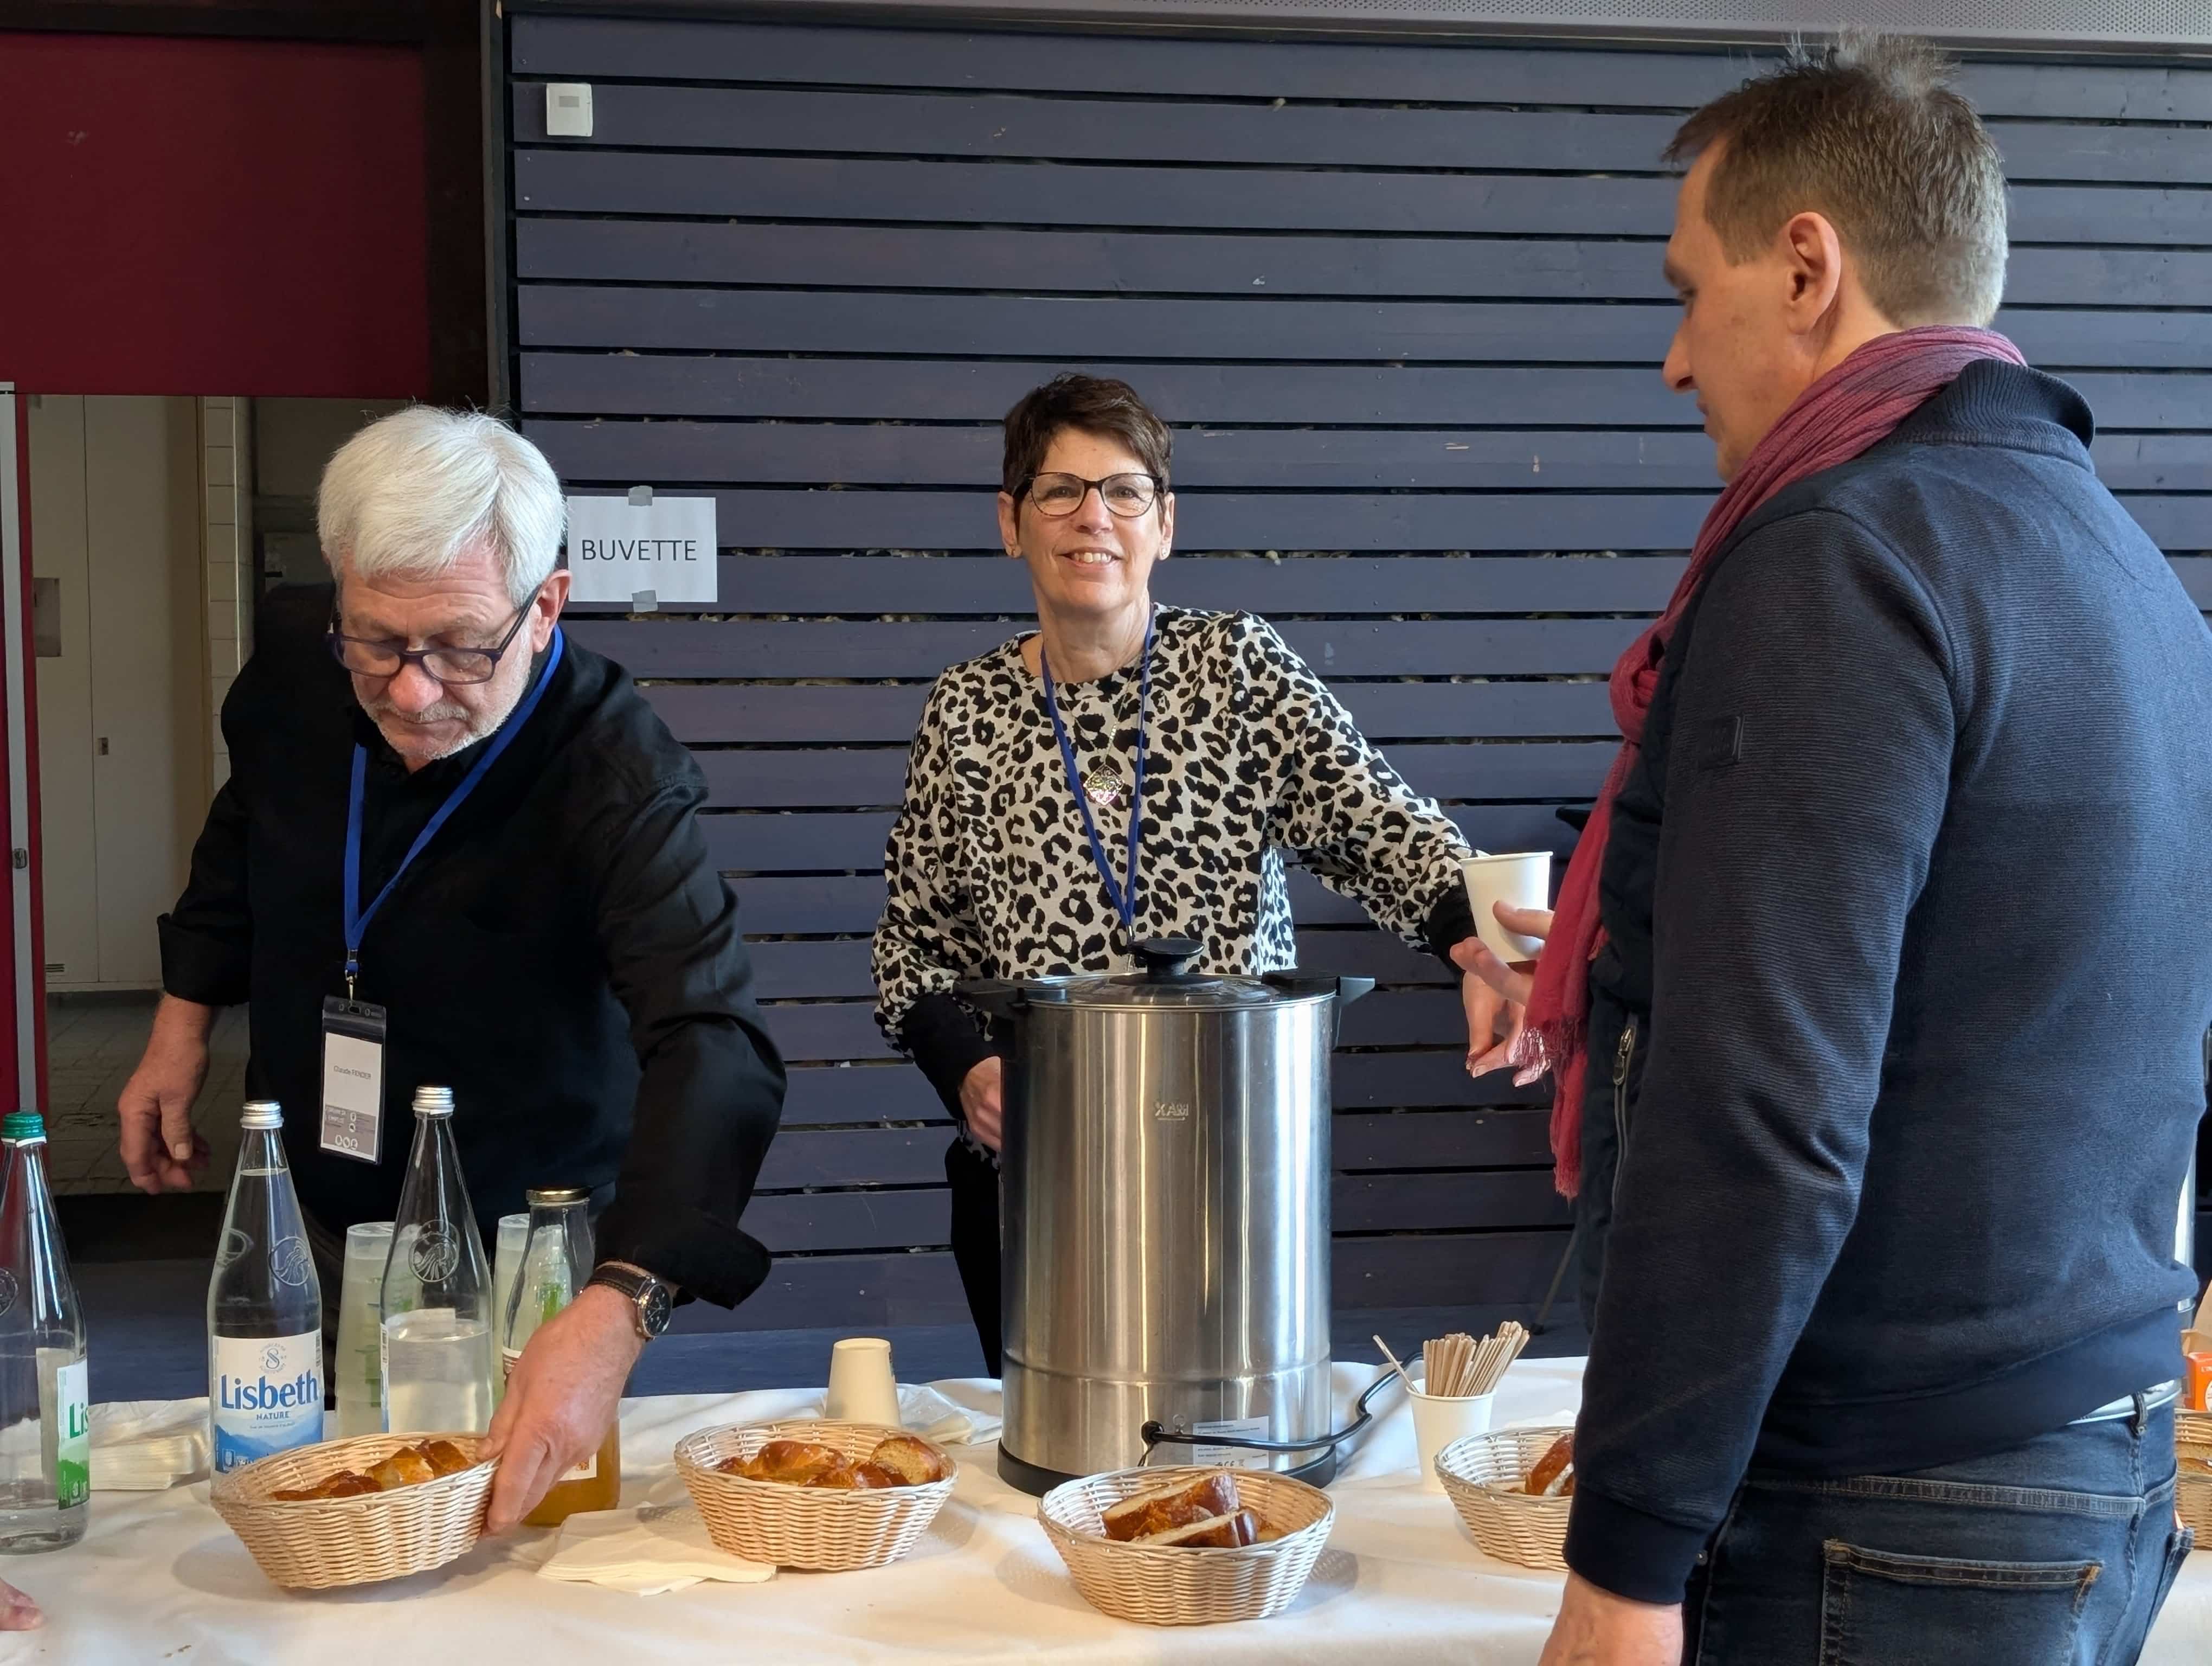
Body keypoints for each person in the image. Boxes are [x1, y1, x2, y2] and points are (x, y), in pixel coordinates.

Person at [1456, 35, 2212, 1664]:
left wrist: (1628, 1565)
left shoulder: (1839, 556)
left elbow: (1765, 1106)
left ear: (1807, 267)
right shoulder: (2118, 560)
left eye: (1687, 288)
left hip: (1888, 1504)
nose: (1673, 360)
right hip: (2092, 1462)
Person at [116, 408, 786, 1534]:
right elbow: (244, 831)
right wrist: (179, 1025)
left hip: (527, 1236)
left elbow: (713, 1036)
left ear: (548, 607)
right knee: (329, 1517)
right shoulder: (294, 662)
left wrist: (622, 1305)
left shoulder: (617, 769)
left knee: (525, 1544)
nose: (414, 692)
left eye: (464, 647)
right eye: (377, 642)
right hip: (324, 1193)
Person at [872, 373, 1506, 1372]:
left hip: (1227, 1168)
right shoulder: (966, 709)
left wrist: (1479, 936)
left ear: (1164, 524)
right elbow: (916, 946)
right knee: (1055, 1470)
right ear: (1011, 521)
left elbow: (1379, 824)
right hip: (1037, 1175)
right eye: (1060, 492)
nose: (1095, 519)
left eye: (1125, 492)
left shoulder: (1238, 670)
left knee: (1223, 1471)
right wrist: (969, 1068)